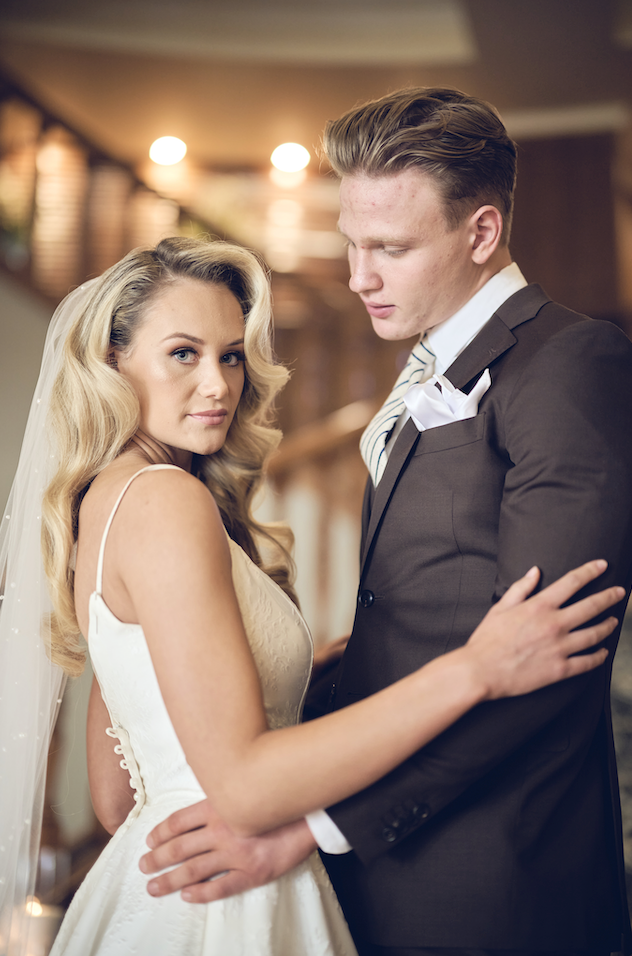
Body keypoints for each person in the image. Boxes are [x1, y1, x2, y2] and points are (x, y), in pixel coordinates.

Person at [0, 236, 622, 956]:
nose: (218, 385)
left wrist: (296, 678)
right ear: (113, 361)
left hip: (153, 889)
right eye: (183, 353)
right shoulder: (166, 502)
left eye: (231, 355)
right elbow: (243, 791)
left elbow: (116, 798)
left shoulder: (102, 507)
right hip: (229, 900)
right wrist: (474, 668)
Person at [139, 90, 632, 956]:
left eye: (391, 250)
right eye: (352, 244)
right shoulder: (430, 364)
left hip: (494, 878)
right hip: (384, 864)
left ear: (481, 234)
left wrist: (315, 826)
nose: (359, 276)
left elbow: (552, 662)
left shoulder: (569, 362)